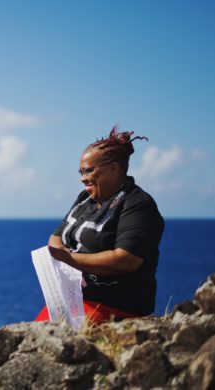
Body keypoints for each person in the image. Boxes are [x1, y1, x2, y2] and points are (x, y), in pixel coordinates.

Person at [37, 126, 164, 324]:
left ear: (113, 169)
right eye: (81, 171)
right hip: (75, 301)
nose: (82, 178)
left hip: (113, 306)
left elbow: (125, 260)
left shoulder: (137, 204)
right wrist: (59, 252)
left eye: (89, 170)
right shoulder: (84, 199)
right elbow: (57, 235)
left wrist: (70, 259)